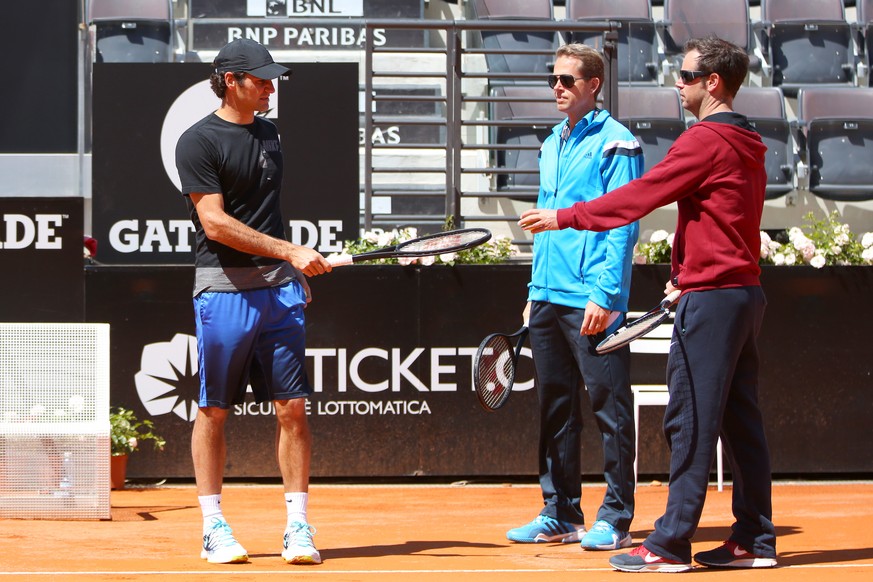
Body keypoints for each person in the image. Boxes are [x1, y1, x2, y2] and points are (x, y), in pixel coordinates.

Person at [518, 36, 777, 573]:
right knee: (740, 422)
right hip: (740, 292)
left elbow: (643, 196)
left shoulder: (704, 140)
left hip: (713, 300)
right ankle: (754, 536)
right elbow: (731, 224)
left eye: (684, 77)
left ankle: (669, 543)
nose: (676, 85)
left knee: (690, 422)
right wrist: (688, 274)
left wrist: (565, 217)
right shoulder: (748, 139)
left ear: (712, 83)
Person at [175, 38, 332, 566]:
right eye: (260, 80)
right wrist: (289, 251)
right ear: (229, 81)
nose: (269, 88)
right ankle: (213, 525)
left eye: (272, 80)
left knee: (293, 409)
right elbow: (214, 222)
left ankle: (298, 525)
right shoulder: (197, 142)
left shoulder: (269, 133)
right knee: (215, 409)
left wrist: (286, 266)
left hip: (277, 292)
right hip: (223, 290)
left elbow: (267, 213)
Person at [505, 43, 643, 551]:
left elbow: (622, 225)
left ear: (594, 85)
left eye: (568, 80)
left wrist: (604, 295)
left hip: (592, 299)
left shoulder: (618, 144)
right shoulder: (550, 143)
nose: (558, 88)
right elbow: (545, 220)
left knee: (610, 407)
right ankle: (560, 513)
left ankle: (616, 515)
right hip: (547, 296)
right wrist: (533, 291)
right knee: (555, 408)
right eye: (553, 80)